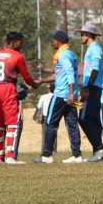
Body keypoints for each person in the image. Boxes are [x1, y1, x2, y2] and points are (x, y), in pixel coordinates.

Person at [0, 31, 46, 164]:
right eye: (20, 41)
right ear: (14, 41)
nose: (22, 44)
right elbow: (26, 76)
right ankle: (10, 157)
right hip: (8, 89)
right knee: (12, 123)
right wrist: (33, 85)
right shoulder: (17, 56)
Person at [36, 30, 83, 164]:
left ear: (59, 41)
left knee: (50, 123)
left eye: (54, 40)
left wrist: (69, 93)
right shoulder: (70, 54)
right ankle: (77, 155)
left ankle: (47, 155)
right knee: (72, 125)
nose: (52, 42)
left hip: (62, 95)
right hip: (69, 96)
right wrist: (41, 81)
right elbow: (58, 75)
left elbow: (68, 73)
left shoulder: (62, 55)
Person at [76, 23, 103, 162]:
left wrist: (87, 88)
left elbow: (95, 70)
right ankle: (98, 152)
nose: (81, 37)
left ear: (88, 35)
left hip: (92, 88)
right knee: (94, 120)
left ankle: (101, 148)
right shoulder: (91, 49)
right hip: (92, 87)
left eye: (82, 34)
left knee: (83, 119)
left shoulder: (95, 49)